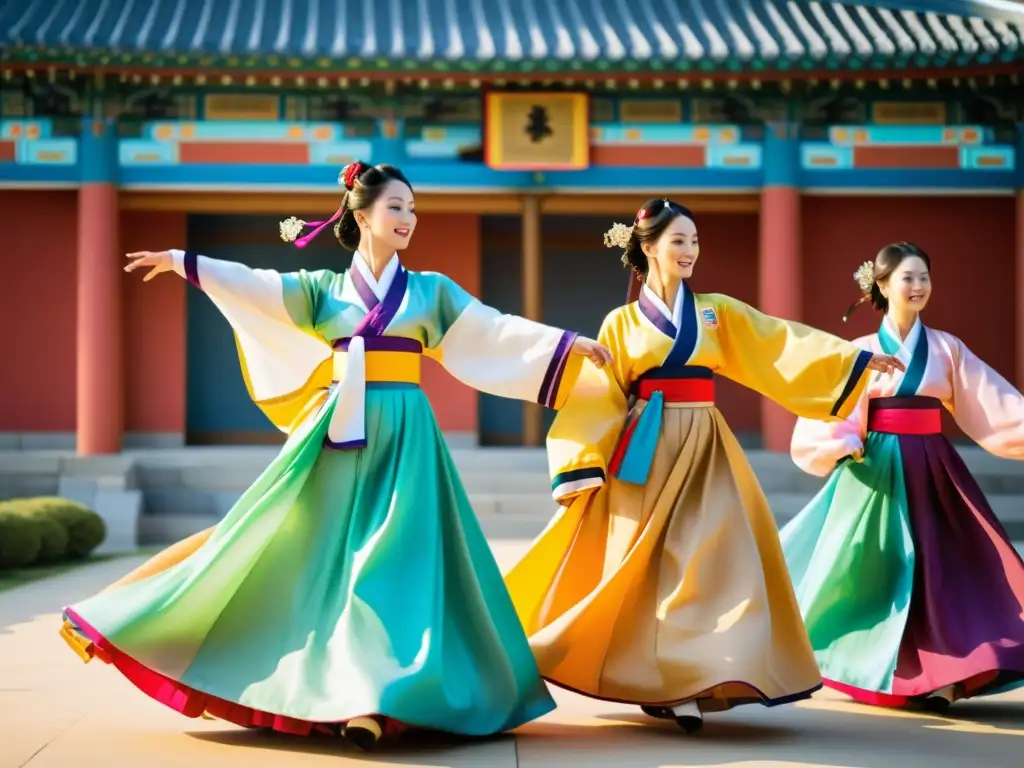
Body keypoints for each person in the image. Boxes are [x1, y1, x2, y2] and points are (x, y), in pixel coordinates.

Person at [58, 161, 613, 751]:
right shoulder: (323, 290)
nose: (409, 218)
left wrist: (565, 342)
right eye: (396, 206)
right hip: (335, 430)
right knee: (289, 544)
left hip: (404, 433)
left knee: (395, 561)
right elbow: (258, 285)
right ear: (360, 212)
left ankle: (379, 694)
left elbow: (492, 330)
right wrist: (183, 263)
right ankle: (298, 676)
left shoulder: (431, 291)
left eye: (413, 208)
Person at [503, 198, 904, 733]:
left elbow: (774, 340)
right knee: (643, 568)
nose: (690, 251)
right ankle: (658, 678)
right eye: (678, 241)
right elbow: (599, 393)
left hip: (705, 444)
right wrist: (583, 459)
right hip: (645, 451)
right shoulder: (620, 323)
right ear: (647, 248)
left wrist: (850, 360)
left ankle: (700, 675)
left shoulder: (715, 311)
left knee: (711, 560)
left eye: (694, 241)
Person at [781, 241, 1024, 711]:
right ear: (883, 284)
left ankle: (944, 673)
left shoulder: (947, 349)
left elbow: (992, 400)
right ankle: (881, 669)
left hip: (933, 467)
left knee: (942, 570)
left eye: (924, 278)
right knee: (875, 571)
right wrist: (842, 445)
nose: (918, 287)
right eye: (908, 277)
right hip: (875, 469)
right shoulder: (861, 350)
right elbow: (833, 406)